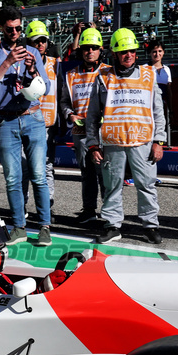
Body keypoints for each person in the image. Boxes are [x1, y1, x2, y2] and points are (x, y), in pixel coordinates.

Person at [83, 28, 166, 246]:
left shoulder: (149, 75)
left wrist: (159, 141)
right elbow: (92, 115)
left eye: (131, 51)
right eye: (123, 52)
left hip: (143, 142)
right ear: (114, 54)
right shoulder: (102, 77)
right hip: (113, 143)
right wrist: (93, 145)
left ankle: (150, 225)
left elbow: (158, 111)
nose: (128, 55)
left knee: (146, 185)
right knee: (112, 186)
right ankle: (112, 226)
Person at [0, 6, 52, 245]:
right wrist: (7, 63)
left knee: (38, 175)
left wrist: (33, 70)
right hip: (5, 119)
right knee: (12, 178)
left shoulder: (33, 51)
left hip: (32, 116)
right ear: (2, 28)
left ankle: (44, 226)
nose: (14, 32)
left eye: (18, 28)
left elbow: (47, 88)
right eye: (10, 28)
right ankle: (18, 226)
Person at [62, 26, 108, 224]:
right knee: (87, 173)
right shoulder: (71, 74)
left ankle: (109, 212)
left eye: (94, 47)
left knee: (105, 173)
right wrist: (69, 114)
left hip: (103, 131)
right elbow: (63, 101)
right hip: (80, 130)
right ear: (81, 50)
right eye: (86, 48)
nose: (90, 51)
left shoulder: (108, 72)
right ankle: (89, 210)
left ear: (100, 50)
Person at [25, 19, 58, 207]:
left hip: (47, 125)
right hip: (26, 122)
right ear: (28, 43)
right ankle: (23, 206)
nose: (40, 44)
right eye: (36, 41)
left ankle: (48, 203)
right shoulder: (19, 64)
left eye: (43, 40)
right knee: (24, 168)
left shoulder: (55, 64)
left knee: (46, 167)